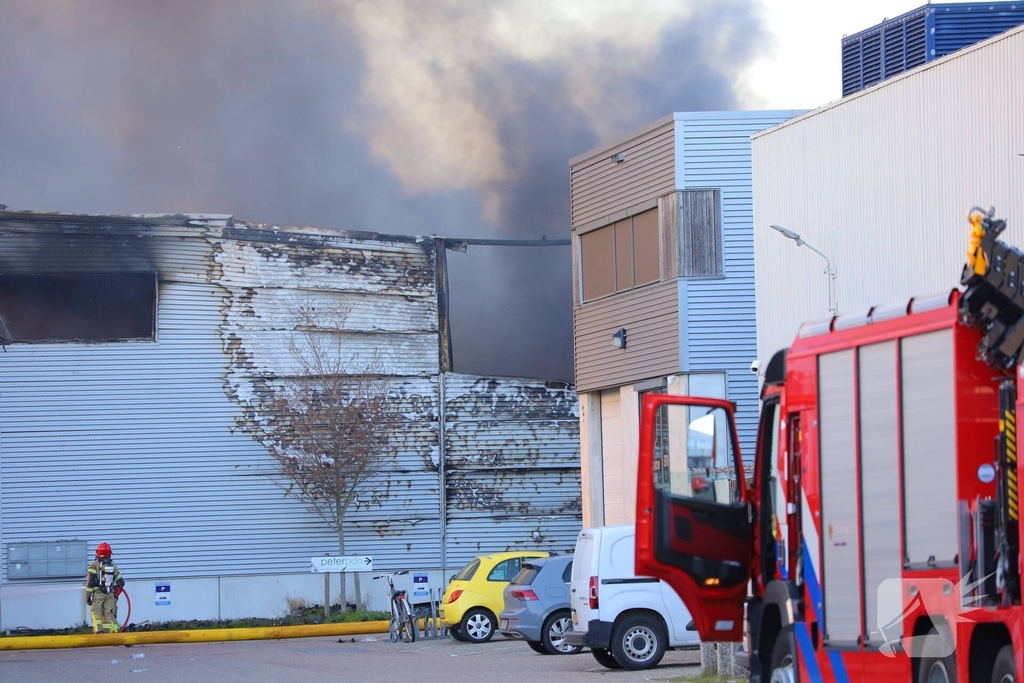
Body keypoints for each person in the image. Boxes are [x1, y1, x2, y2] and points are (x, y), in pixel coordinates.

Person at [85, 542, 124, 633]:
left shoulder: (94, 565)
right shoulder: (113, 565)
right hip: (110, 594)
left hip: (98, 593)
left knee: (95, 613)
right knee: (108, 613)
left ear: (97, 553)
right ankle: (112, 632)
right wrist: (116, 592)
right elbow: (121, 582)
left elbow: (90, 583)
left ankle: (98, 631)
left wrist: (87, 596)